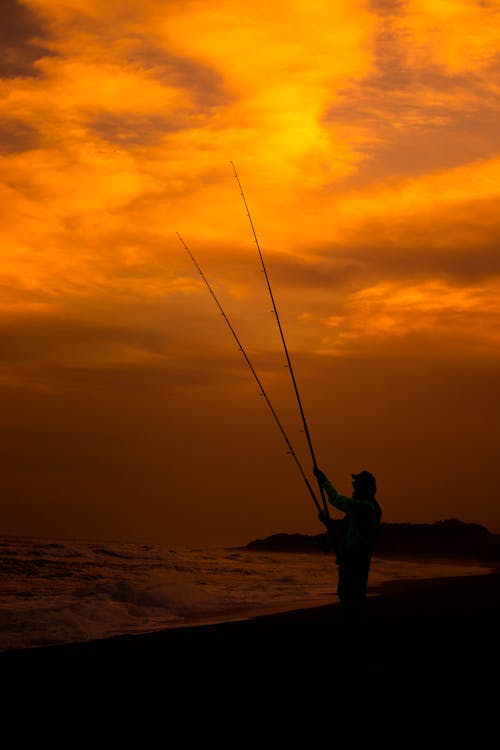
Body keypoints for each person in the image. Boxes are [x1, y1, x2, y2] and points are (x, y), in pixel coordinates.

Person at [313, 467, 382, 616]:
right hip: (352, 556)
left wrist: (324, 481)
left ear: (365, 488)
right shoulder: (364, 508)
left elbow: (336, 500)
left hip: (357, 557)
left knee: (351, 595)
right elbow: (343, 526)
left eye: (356, 485)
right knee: (348, 594)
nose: (353, 487)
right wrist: (327, 521)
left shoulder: (365, 507)